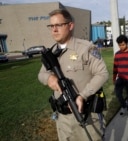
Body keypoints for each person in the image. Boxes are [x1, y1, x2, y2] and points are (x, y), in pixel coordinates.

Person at [38, 9, 109, 141]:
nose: (54, 30)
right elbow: (41, 73)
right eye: (51, 26)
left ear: (70, 25)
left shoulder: (86, 48)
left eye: (58, 25)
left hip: (85, 116)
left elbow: (102, 74)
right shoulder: (52, 52)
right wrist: (49, 78)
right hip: (62, 119)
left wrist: (82, 96)